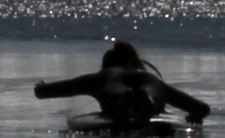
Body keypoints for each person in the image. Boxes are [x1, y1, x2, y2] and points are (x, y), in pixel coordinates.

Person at [33, 40, 211, 125]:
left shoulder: (101, 77)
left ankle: (122, 101)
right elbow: (201, 108)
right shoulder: (149, 76)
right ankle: (148, 99)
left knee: (115, 93)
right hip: (148, 82)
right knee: (154, 94)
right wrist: (194, 118)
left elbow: (48, 92)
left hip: (112, 84)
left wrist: (41, 86)